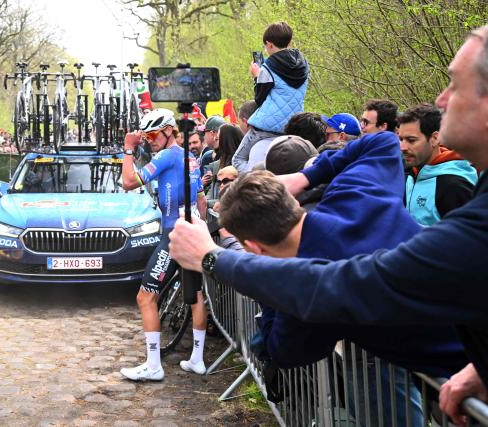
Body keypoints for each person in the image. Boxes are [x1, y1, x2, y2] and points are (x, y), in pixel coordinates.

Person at [167, 25, 488, 425]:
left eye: (454, 86)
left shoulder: (473, 227)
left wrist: (212, 257)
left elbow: (301, 326)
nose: (440, 99)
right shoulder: (354, 194)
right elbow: (382, 143)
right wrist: (306, 177)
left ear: (255, 246)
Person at [119, 108, 207, 381]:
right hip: (192, 230)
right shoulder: (190, 156)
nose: (149, 140)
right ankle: (197, 359)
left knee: (146, 297)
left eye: (154, 134)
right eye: (145, 136)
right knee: (195, 297)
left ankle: (154, 366)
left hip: (173, 234)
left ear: (170, 130)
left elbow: (128, 182)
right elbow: (202, 200)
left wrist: (128, 149)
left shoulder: (167, 156)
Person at [232, 21, 310, 173]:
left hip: (265, 127)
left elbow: (259, 99)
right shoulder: (304, 65)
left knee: (238, 159)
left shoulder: (268, 67)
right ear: (289, 41)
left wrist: (256, 76)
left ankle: (255, 182)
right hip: (293, 126)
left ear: (269, 44)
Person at [398, 103, 477, 225]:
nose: (402, 147)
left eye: (411, 140)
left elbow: (470, 239)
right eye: (401, 139)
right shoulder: (412, 175)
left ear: (435, 138)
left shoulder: (453, 186)